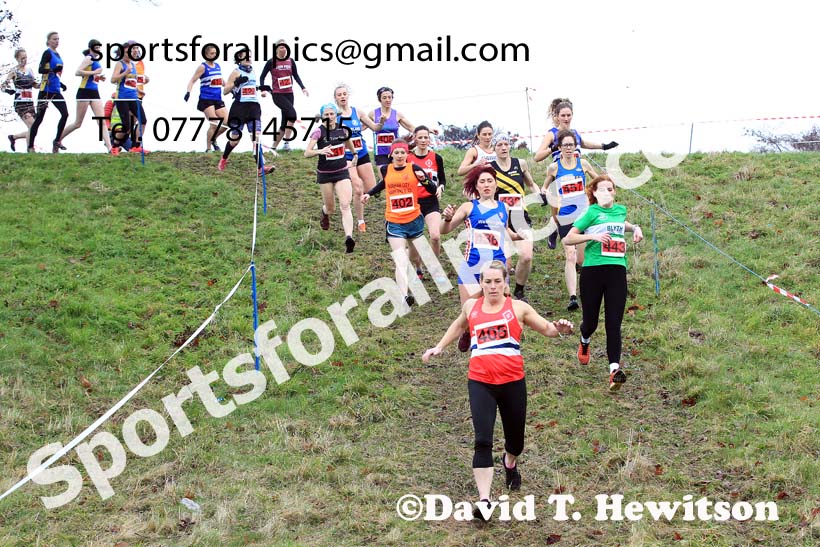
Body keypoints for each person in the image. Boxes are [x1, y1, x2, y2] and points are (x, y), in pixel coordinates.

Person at [422, 260, 574, 519]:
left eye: (497, 281)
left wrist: (559, 329)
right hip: (480, 381)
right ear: (481, 284)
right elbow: (460, 325)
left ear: (505, 283)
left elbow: (547, 328)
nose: (492, 286)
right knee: (482, 440)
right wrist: (439, 346)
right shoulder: (471, 306)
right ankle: (484, 501)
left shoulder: (518, 307)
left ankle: (510, 462)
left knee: (516, 441)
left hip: (512, 381)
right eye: (487, 281)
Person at [562, 174, 643, 392]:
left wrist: (636, 228)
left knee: (613, 323)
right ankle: (585, 339)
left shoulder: (620, 210)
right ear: (594, 193)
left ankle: (614, 372)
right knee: (591, 322)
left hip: (617, 271)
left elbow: (620, 223)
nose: (607, 192)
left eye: (611, 188)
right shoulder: (591, 213)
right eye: (603, 189)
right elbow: (568, 238)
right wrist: (592, 238)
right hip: (593, 272)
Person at [440, 164, 524, 352]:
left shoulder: (504, 207)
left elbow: (504, 230)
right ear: (476, 186)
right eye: (482, 182)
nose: (486, 185)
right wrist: (446, 218)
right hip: (472, 266)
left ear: (496, 184)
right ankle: (468, 332)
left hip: (496, 267)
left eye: (490, 181)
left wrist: (517, 236)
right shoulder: (469, 207)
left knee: (496, 312)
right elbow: (443, 230)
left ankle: (493, 349)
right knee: (470, 313)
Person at [361, 140, 437, 305]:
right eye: (397, 153)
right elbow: (384, 183)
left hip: (414, 219)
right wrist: (369, 193)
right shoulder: (386, 169)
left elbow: (432, 189)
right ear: (391, 154)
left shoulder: (414, 169)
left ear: (407, 154)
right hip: (395, 221)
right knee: (401, 259)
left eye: (403, 152)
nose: (400, 156)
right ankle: (403, 296)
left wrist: (424, 180)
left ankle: (418, 268)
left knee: (415, 256)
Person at [535, 99, 617, 250]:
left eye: (569, 115)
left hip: (577, 174)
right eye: (563, 115)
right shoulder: (552, 134)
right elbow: (537, 156)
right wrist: (553, 149)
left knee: (577, 206)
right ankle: (554, 231)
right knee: (559, 209)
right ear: (557, 116)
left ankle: (580, 254)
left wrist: (604, 146)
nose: (566, 118)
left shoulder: (574, 134)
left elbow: (584, 143)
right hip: (558, 175)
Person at [543, 129, 599, 311]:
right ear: (559, 148)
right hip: (565, 216)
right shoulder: (554, 167)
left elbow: (598, 181)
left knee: (581, 259)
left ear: (576, 146)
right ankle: (573, 297)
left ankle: (586, 289)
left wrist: (599, 192)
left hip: (584, 216)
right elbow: (546, 188)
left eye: (571, 144)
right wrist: (547, 199)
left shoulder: (583, 163)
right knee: (570, 255)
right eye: (565, 145)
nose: (568, 148)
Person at [490, 133, 544, 302]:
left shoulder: (520, 164)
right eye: (499, 145)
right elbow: (478, 188)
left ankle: (519, 290)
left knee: (527, 255)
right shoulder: (489, 168)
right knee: (503, 261)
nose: (503, 147)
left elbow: (530, 183)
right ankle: (502, 296)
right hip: (499, 216)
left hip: (520, 215)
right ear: (494, 148)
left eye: (506, 144)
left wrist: (539, 193)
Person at [304, 103, 358, 253]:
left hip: (342, 172)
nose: (329, 117)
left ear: (336, 115)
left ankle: (349, 238)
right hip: (325, 174)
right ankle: (324, 213)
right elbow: (307, 153)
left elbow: (348, 142)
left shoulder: (342, 130)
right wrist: (320, 151)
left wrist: (354, 154)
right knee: (331, 208)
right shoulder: (318, 132)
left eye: (332, 114)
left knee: (345, 205)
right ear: (322, 117)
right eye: (326, 115)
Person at [216, 48, 276, 178]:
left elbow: (251, 88)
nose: (249, 58)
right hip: (239, 108)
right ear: (239, 59)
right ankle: (224, 158)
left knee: (256, 138)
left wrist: (262, 90)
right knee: (235, 140)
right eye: (245, 56)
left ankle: (260, 168)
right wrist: (236, 83)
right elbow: (225, 91)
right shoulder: (236, 72)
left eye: (250, 56)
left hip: (253, 108)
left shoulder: (253, 71)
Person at [333, 83, 379, 233]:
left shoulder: (357, 112)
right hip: (346, 156)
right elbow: (327, 132)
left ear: (348, 96)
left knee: (370, 189)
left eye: (344, 94)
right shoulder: (334, 115)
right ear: (336, 98)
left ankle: (355, 201)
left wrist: (382, 122)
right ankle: (360, 220)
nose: (342, 97)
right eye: (339, 95)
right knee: (358, 187)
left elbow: (375, 127)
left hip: (362, 153)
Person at [407, 125, 447, 279]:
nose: (423, 140)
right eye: (420, 137)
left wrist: (441, 188)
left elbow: (442, 178)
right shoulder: (408, 158)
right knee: (415, 240)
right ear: (415, 138)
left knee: (435, 236)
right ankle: (418, 267)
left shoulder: (436, 157)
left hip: (431, 201)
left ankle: (435, 269)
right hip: (413, 203)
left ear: (429, 140)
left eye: (426, 137)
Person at [59, 39, 113, 153]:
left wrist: (98, 77)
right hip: (84, 92)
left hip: (94, 92)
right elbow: (78, 72)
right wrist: (94, 73)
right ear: (90, 48)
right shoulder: (88, 58)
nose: (98, 50)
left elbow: (89, 77)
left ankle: (110, 148)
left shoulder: (96, 60)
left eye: (99, 48)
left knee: (101, 120)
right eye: (96, 48)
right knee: (78, 123)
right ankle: (58, 139)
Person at [259, 39, 309, 154]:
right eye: (281, 47)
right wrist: (263, 90)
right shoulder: (271, 62)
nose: (284, 49)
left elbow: (296, 75)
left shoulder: (290, 61)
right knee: (292, 115)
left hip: (289, 93)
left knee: (284, 121)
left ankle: (273, 147)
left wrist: (303, 87)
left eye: (285, 47)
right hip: (277, 94)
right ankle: (287, 143)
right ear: (276, 49)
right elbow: (262, 77)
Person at [27, 32, 69, 153]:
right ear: (49, 41)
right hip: (45, 90)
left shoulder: (58, 54)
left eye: (58, 39)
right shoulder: (47, 53)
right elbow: (40, 69)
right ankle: (30, 146)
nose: (57, 41)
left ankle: (57, 140)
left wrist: (61, 84)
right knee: (39, 119)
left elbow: (55, 74)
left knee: (65, 114)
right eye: (54, 39)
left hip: (55, 89)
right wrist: (53, 70)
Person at [185, 44, 228, 152]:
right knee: (214, 123)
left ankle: (213, 139)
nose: (214, 55)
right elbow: (192, 80)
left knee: (228, 122)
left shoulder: (218, 66)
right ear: (206, 55)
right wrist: (188, 92)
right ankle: (208, 148)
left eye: (215, 53)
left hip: (217, 99)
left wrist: (232, 89)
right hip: (206, 99)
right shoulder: (202, 67)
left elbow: (221, 81)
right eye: (212, 53)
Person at [365, 86, 414, 167]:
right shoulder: (373, 114)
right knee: (385, 178)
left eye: (389, 97)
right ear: (379, 99)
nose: (387, 100)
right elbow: (361, 127)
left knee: (397, 177)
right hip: (380, 153)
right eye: (384, 98)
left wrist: (428, 130)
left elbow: (411, 127)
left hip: (396, 152)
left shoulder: (397, 114)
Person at [110, 41, 145, 152]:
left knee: (143, 121)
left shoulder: (133, 65)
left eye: (136, 49)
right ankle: (115, 147)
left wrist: (139, 90)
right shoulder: (120, 64)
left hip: (134, 98)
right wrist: (125, 72)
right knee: (127, 126)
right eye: (132, 49)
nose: (135, 51)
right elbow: (113, 80)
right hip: (122, 98)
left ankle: (136, 146)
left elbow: (131, 83)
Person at [4, 48, 38, 151]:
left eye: (26, 58)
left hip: (30, 102)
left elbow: (35, 84)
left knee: (33, 128)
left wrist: (43, 85)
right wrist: (7, 90)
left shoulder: (30, 71)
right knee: (32, 126)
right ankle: (30, 149)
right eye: (22, 58)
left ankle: (13, 137)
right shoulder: (14, 71)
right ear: (17, 59)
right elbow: (3, 85)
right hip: (20, 103)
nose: (24, 60)